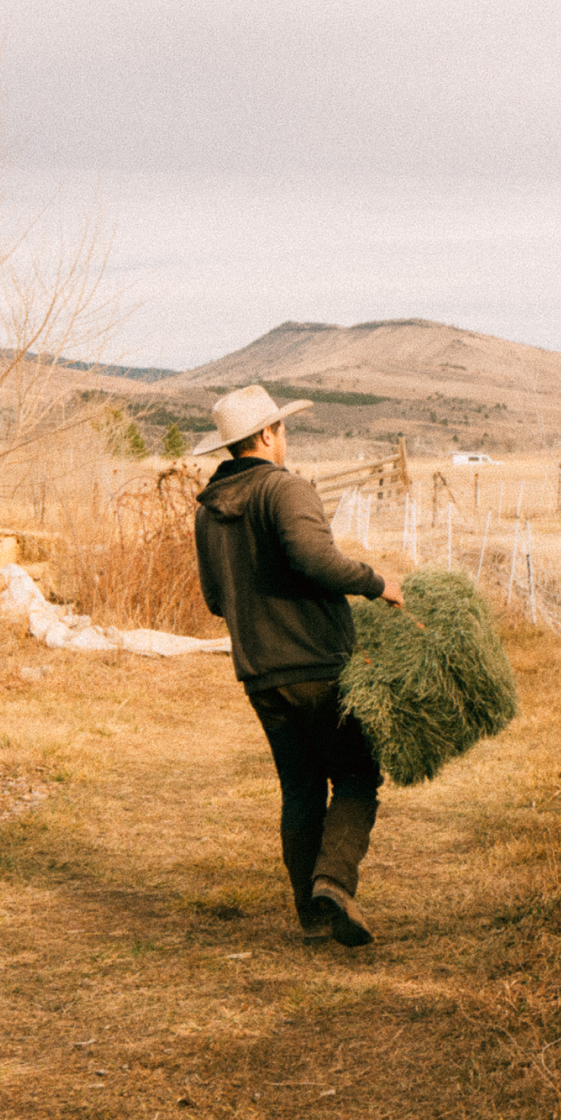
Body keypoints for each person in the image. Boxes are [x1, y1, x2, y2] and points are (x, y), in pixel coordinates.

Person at [192, 385, 403, 946]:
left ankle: (311, 916)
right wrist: (378, 584)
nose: (286, 437)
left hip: (259, 672)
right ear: (266, 434)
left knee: (302, 787)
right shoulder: (285, 490)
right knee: (358, 777)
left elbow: (216, 598)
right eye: (282, 428)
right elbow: (317, 560)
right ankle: (332, 883)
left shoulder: (210, 513)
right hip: (318, 665)